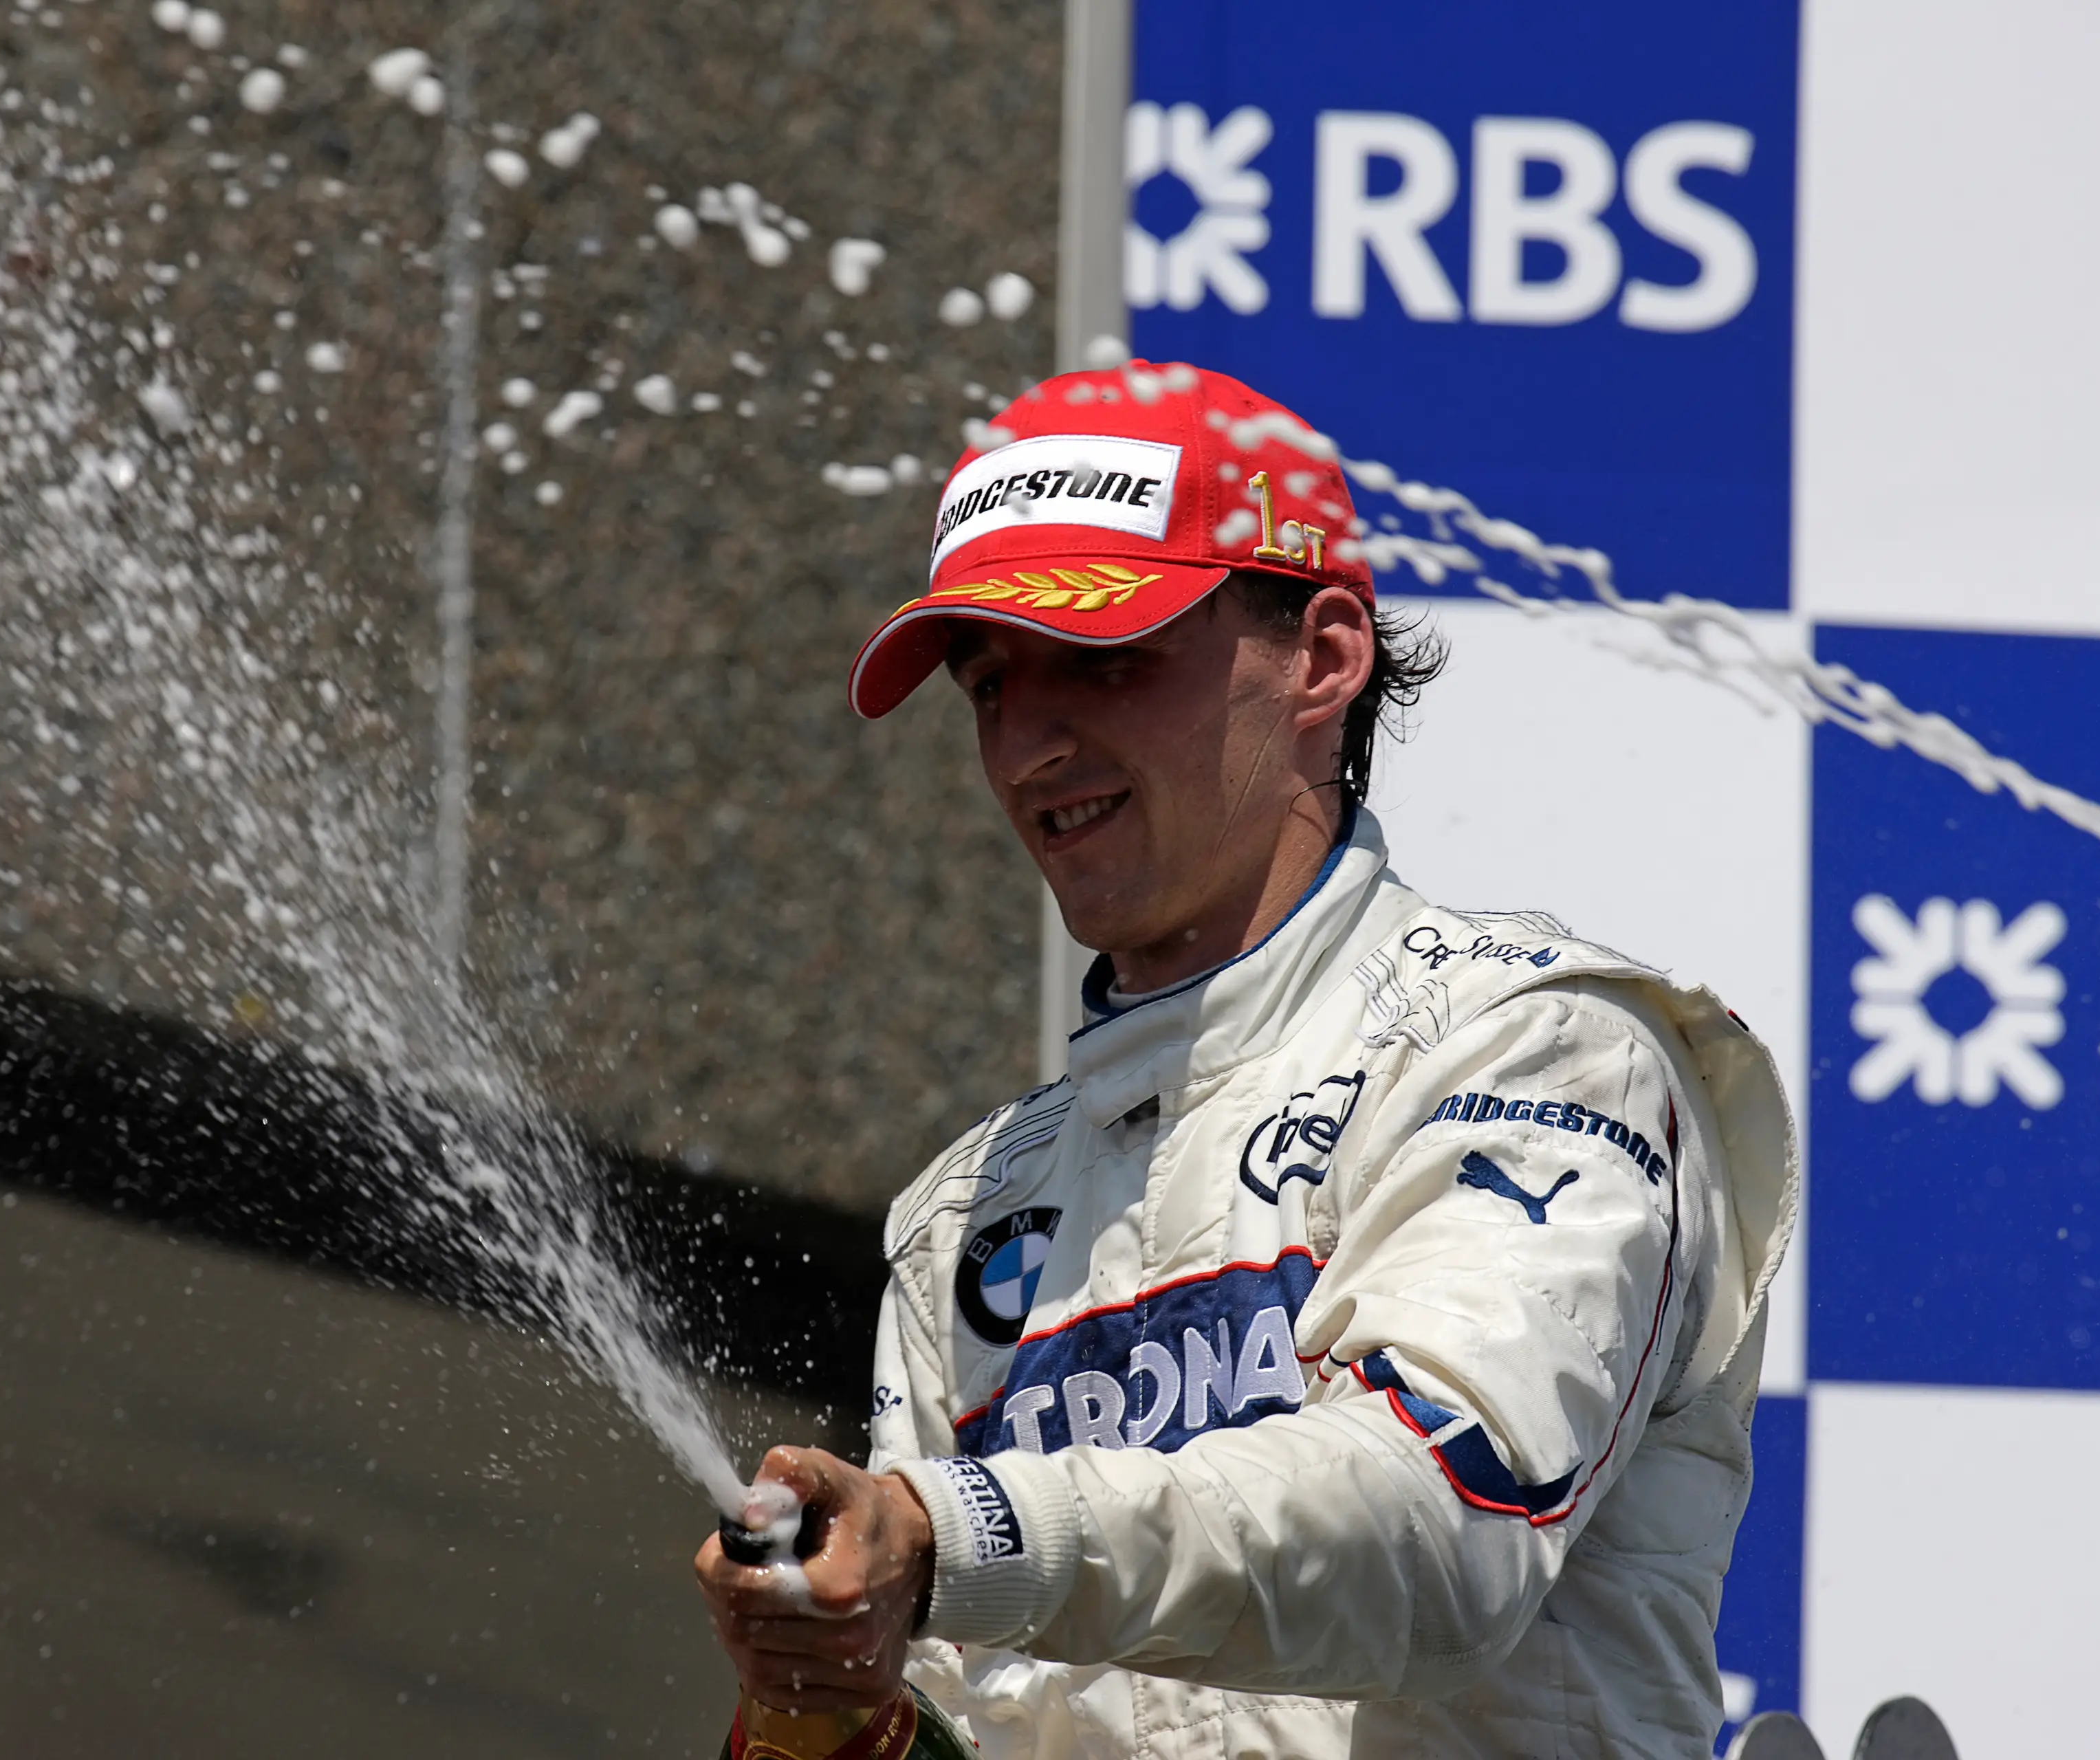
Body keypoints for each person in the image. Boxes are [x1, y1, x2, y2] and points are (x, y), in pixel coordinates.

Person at [694, 360, 1797, 1759]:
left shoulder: (1539, 1046)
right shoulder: (963, 1214)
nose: (1027, 747)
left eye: (1102, 658)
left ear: (1323, 658)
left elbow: (1444, 1530)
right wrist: (832, 1704)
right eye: (989, 684)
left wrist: (951, 1532)